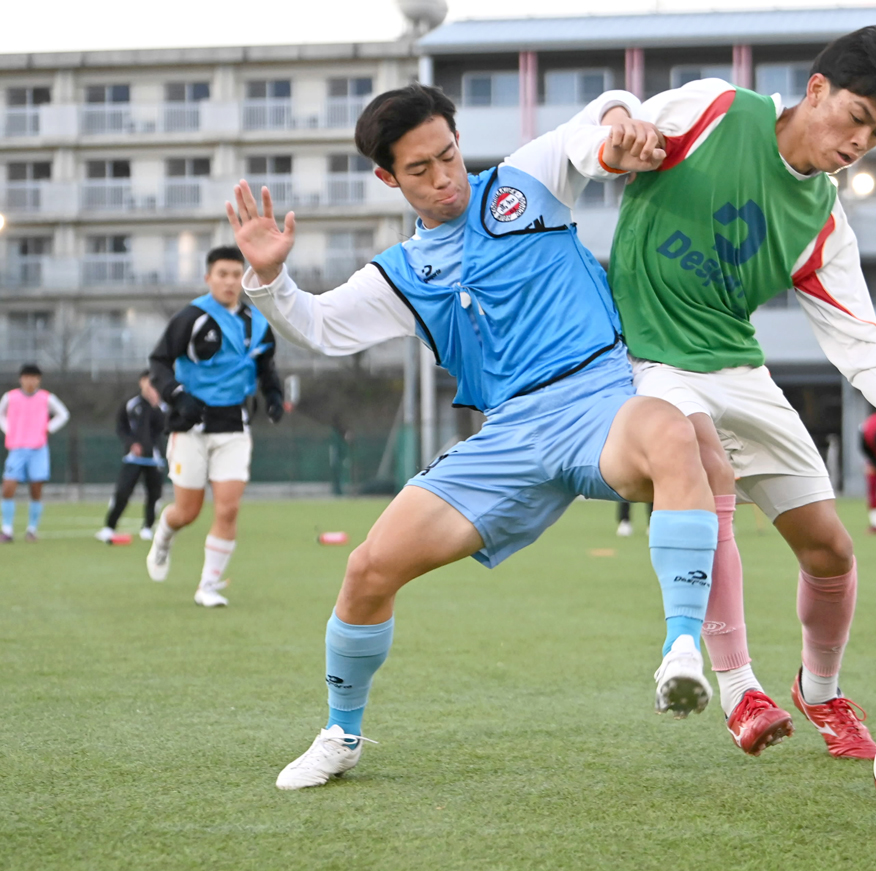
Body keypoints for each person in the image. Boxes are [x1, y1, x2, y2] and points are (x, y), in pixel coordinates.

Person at [227, 84, 724, 790]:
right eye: (420, 171)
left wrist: (618, 129)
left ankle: (680, 649)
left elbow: (595, 123)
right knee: (369, 568)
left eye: (448, 156)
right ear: (388, 178)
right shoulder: (401, 272)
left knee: (671, 431)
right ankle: (341, 732)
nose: (443, 179)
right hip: (507, 441)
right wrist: (271, 277)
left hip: (597, 404)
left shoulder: (527, 180)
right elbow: (319, 326)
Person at [606, 25, 876, 759]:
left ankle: (819, 691)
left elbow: (859, 343)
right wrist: (609, 135)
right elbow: (615, 130)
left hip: (738, 369)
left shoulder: (822, 219)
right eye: (856, 119)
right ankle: (737, 687)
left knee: (831, 550)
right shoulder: (716, 109)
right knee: (703, 460)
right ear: (816, 89)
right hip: (651, 362)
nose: (860, 144)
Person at [145, 246, 286, 607]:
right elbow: (158, 363)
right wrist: (177, 395)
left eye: (236, 274)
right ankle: (164, 533)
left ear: (245, 279)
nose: (230, 281)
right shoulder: (191, 318)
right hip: (190, 426)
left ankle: (207, 585)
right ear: (209, 278)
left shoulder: (258, 324)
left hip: (234, 428)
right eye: (222, 274)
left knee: (228, 509)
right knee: (187, 512)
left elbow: (266, 367)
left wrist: (273, 395)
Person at [0, 363, 70, 542]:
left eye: (34, 378)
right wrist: (9, 430)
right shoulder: (10, 397)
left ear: (39, 380)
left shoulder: (46, 398)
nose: (30, 381)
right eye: (27, 377)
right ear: (21, 379)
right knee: (8, 487)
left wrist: (48, 428)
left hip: (38, 449)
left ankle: (32, 529)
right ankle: (7, 529)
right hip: (16, 448)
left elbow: (63, 414)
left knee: (36, 489)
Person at [95, 371, 167, 543]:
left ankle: (148, 527)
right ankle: (109, 527)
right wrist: (131, 443)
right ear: (141, 382)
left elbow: (164, 429)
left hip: (154, 458)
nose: (151, 386)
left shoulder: (162, 406)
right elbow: (121, 427)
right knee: (122, 492)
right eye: (148, 382)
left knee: (154, 494)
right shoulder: (131, 404)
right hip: (133, 458)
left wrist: (156, 407)